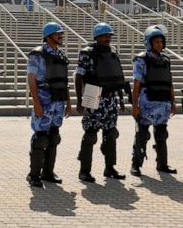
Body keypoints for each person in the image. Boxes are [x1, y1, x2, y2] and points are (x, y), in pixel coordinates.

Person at [76, 22, 127, 182]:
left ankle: (110, 168)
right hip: (93, 94)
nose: (108, 38)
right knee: (90, 134)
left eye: (109, 36)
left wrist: (121, 99)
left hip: (110, 96)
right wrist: (79, 100)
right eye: (105, 36)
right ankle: (84, 171)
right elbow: (79, 76)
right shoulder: (87, 53)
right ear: (97, 37)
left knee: (111, 133)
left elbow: (117, 75)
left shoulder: (113, 52)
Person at [26, 22, 72, 187]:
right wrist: (36, 103)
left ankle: (48, 172)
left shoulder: (61, 55)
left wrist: (69, 103)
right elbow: (31, 79)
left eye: (61, 34)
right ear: (48, 36)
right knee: (40, 139)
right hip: (44, 102)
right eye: (58, 34)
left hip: (59, 102)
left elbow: (64, 81)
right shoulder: (37, 55)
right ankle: (34, 175)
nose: (61, 36)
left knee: (54, 137)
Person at [130, 25, 177, 176]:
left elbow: (169, 83)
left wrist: (173, 103)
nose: (159, 45)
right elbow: (136, 85)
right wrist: (135, 105)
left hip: (163, 104)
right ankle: (135, 165)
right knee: (142, 136)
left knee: (162, 135)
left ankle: (162, 164)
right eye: (156, 42)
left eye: (161, 42)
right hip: (146, 103)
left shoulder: (165, 60)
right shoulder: (141, 60)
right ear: (149, 43)